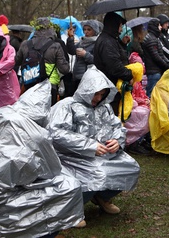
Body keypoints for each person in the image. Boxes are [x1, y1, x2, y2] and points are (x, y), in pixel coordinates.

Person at [0, 81, 84, 237]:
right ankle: (44, 231)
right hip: (3, 198)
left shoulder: (1, 113)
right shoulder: (37, 134)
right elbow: (51, 170)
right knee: (70, 186)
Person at [46, 67, 140, 227]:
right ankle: (70, 211)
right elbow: (55, 133)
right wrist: (89, 146)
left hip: (101, 154)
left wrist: (117, 141)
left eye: (102, 94)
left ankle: (102, 196)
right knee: (97, 173)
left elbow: (118, 127)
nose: (98, 98)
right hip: (71, 156)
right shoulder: (67, 105)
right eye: (96, 93)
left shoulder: (104, 107)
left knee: (130, 168)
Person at [15, 17, 70, 105]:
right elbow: (64, 69)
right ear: (51, 29)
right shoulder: (55, 46)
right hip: (49, 86)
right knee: (48, 115)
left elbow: (17, 62)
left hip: (29, 85)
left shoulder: (25, 44)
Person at [94, 11, 133, 116]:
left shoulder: (110, 39)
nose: (121, 30)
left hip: (109, 88)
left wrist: (123, 44)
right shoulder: (107, 42)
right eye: (120, 26)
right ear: (114, 25)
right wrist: (129, 74)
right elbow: (114, 66)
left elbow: (117, 56)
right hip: (109, 89)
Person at [65, 19, 100, 94]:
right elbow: (72, 51)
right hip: (77, 77)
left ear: (95, 31)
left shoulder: (97, 43)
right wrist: (71, 38)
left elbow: (98, 60)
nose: (86, 32)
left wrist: (85, 54)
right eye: (84, 29)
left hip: (88, 77)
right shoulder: (82, 41)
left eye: (89, 30)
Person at [142, 18, 169, 97]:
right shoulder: (151, 39)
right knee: (151, 95)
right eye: (159, 25)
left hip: (155, 71)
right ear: (154, 26)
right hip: (154, 72)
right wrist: (166, 66)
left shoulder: (154, 38)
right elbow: (156, 56)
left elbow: (160, 54)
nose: (160, 27)